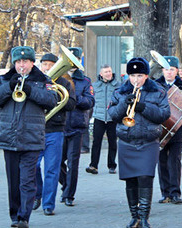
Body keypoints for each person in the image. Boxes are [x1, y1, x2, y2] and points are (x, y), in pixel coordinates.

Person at [0, 46, 58, 228]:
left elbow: (51, 100)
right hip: (9, 137)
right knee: (13, 180)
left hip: (32, 137)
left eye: (25, 62)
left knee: (27, 180)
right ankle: (14, 214)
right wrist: (9, 87)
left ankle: (24, 216)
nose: (21, 65)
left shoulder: (43, 80)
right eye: (18, 62)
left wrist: (30, 90)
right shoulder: (4, 79)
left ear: (32, 62)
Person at [108, 57, 170, 228]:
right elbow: (113, 115)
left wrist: (143, 107)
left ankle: (144, 217)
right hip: (127, 141)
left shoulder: (158, 91)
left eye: (140, 75)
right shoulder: (120, 91)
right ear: (128, 76)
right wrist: (123, 104)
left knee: (145, 178)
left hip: (148, 141)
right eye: (133, 75)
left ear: (146, 76)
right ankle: (134, 216)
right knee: (130, 180)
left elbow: (163, 115)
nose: (136, 79)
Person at [33, 53, 76, 216]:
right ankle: (37, 195)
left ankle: (48, 204)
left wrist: (55, 95)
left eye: (51, 64)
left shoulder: (64, 83)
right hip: (36, 129)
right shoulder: (35, 81)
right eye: (45, 65)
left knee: (52, 169)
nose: (48, 68)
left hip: (55, 130)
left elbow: (71, 104)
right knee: (34, 166)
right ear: (41, 66)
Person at [59, 47, 95, 206]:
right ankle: (66, 186)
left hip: (77, 125)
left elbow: (90, 102)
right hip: (59, 126)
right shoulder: (57, 78)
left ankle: (68, 195)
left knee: (73, 163)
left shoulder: (85, 81)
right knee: (57, 162)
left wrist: (74, 97)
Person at [155, 56, 182, 204]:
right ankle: (165, 192)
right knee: (162, 161)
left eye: (172, 70)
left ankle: (175, 192)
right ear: (162, 70)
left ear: (177, 71)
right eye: (166, 70)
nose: (169, 73)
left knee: (174, 160)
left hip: (178, 128)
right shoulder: (155, 86)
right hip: (160, 128)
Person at [86, 64, 120, 175]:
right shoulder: (95, 86)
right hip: (99, 118)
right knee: (96, 142)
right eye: (106, 72)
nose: (109, 73)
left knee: (112, 143)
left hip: (112, 118)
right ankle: (93, 165)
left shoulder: (118, 85)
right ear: (101, 74)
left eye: (110, 71)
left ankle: (112, 165)